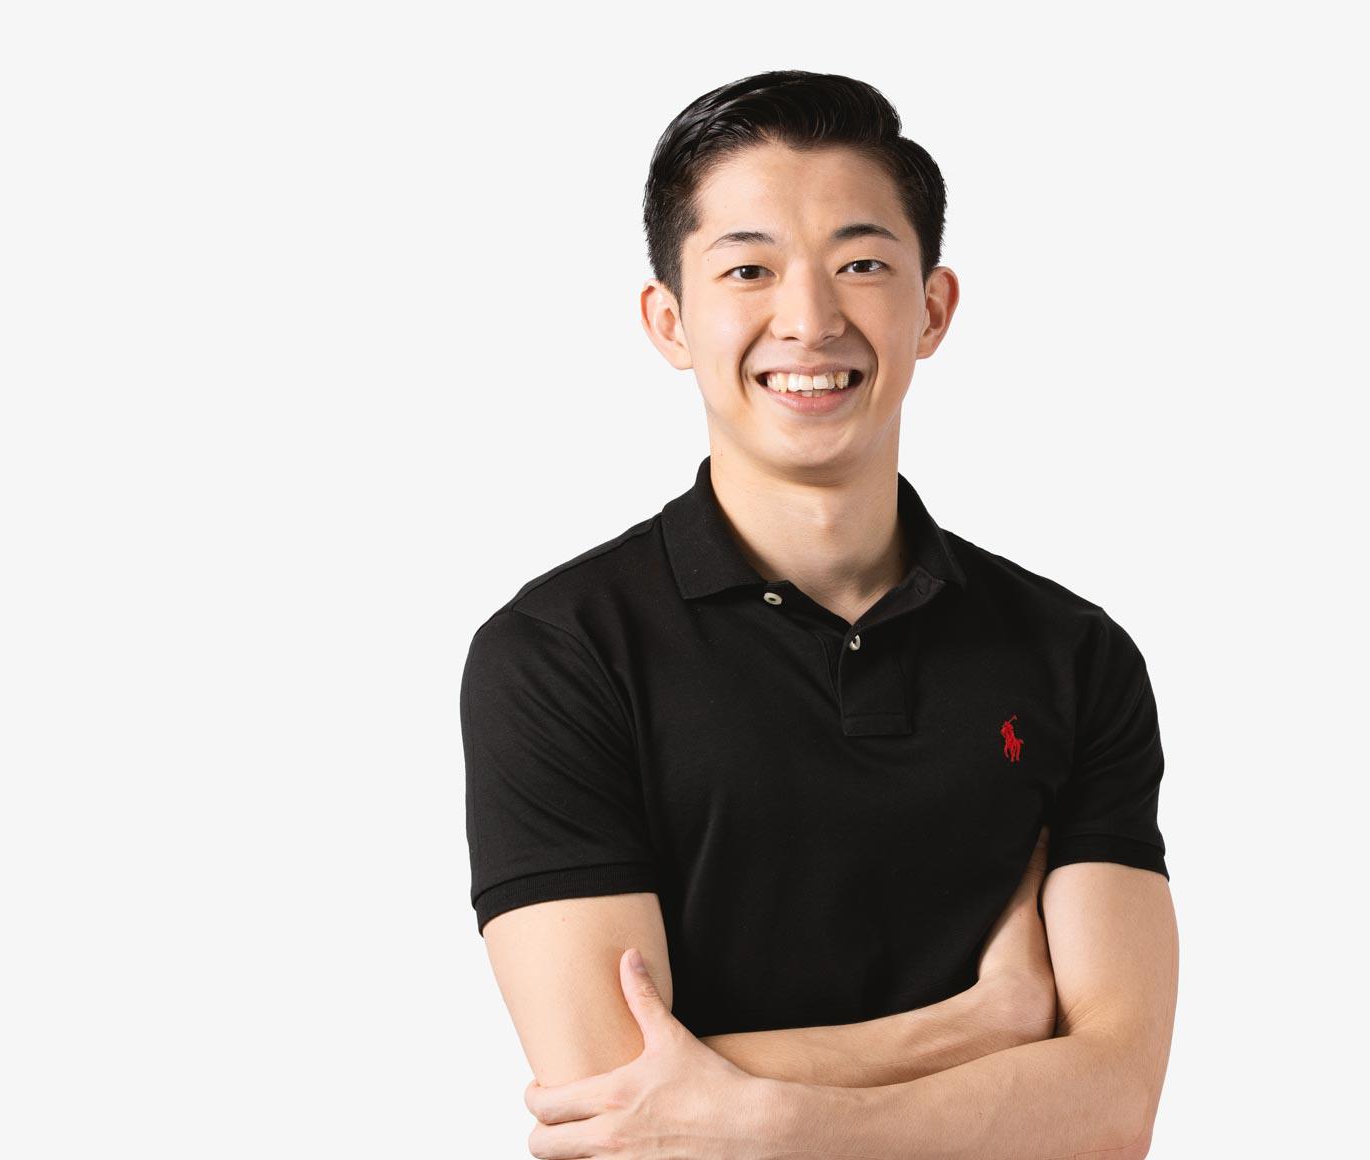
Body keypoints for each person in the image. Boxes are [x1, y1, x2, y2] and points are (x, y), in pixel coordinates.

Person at [461, 70, 1177, 1157]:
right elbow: (611, 1102)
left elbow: (1113, 1106)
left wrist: (759, 1114)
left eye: (862, 264)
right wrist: (980, 1023)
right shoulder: (562, 653)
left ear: (931, 307)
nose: (809, 319)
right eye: (748, 268)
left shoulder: (1075, 654)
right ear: (669, 318)